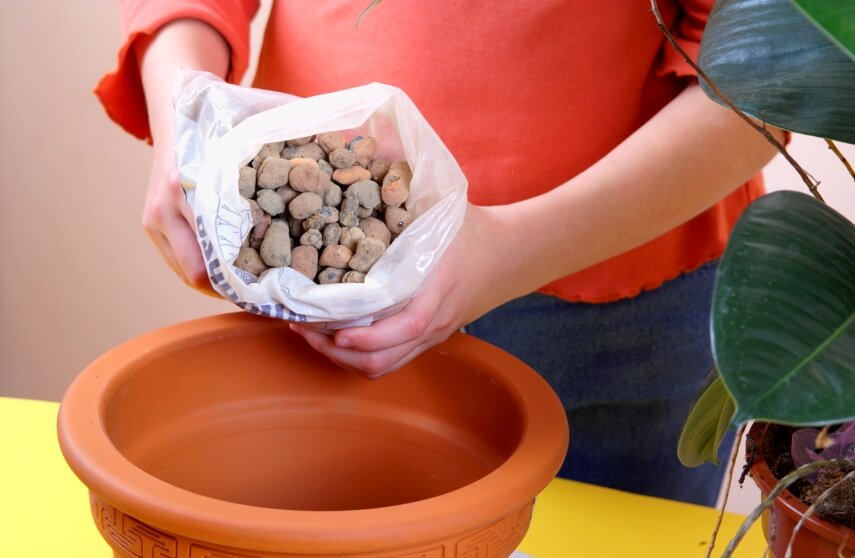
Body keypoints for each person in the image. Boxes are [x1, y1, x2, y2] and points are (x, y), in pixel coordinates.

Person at [96, 0, 784, 506]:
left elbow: (775, 70)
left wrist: (509, 249)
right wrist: (183, 100)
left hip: (615, 314)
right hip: (319, 298)